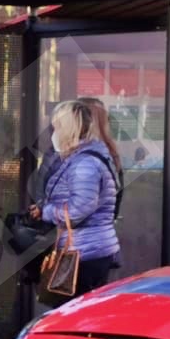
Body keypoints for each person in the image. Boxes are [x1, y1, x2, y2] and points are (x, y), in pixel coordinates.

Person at [34, 101, 121, 299]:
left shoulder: (84, 164)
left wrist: (46, 212)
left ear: (68, 130)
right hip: (86, 248)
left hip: (86, 252)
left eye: (56, 127)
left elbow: (77, 211)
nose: (53, 134)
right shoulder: (79, 159)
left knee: (76, 313)